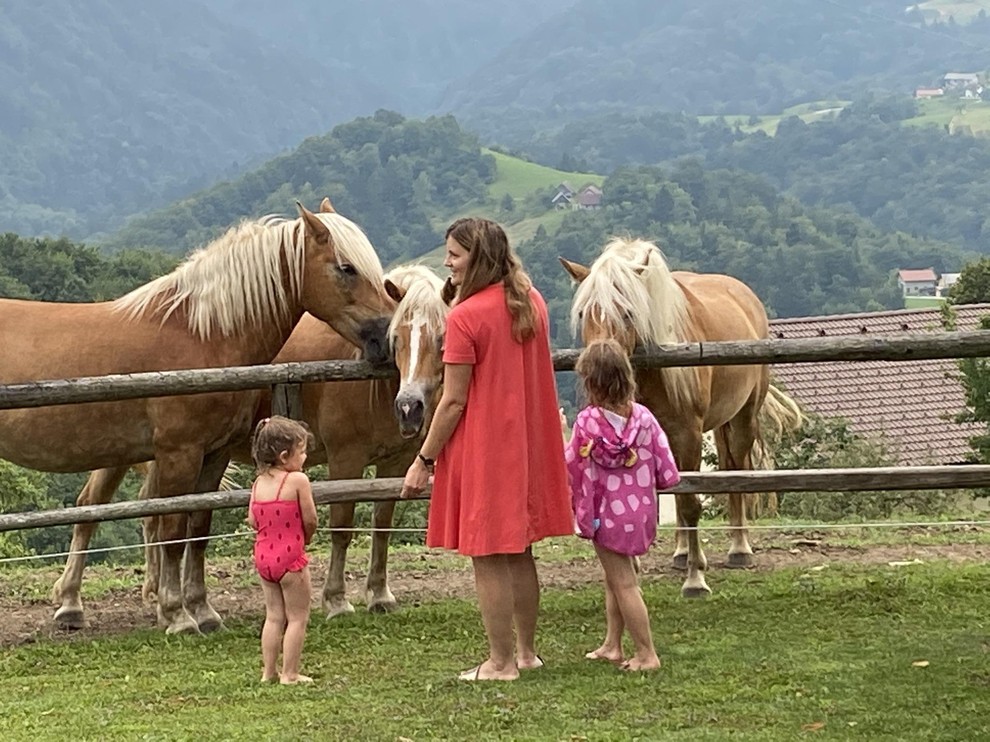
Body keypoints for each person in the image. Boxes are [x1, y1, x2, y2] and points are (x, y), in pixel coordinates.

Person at [400, 217, 573, 682]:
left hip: (485, 449)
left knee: (489, 555)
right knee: (520, 551)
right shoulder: (531, 302)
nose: (447, 262)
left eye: (455, 254)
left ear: (478, 258)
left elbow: (454, 400)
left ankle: (499, 664)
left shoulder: (464, 317)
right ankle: (527, 653)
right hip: (529, 445)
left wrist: (423, 460)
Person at [562, 339, 681, 671]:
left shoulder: (588, 423)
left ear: (590, 382)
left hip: (605, 517)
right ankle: (612, 644)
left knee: (625, 582)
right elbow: (666, 467)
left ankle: (647, 653)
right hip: (639, 513)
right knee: (617, 578)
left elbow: (572, 465)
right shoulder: (644, 418)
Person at [248, 416, 318, 684]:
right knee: (298, 617)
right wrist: (306, 538)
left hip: (264, 557)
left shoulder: (258, 484)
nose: (305, 457)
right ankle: (290, 673)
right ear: (285, 455)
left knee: (273, 616)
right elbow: (310, 518)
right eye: (302, 452)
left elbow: (253, 520)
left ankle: (268, 672)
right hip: (290, 556)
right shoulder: (298, 480)